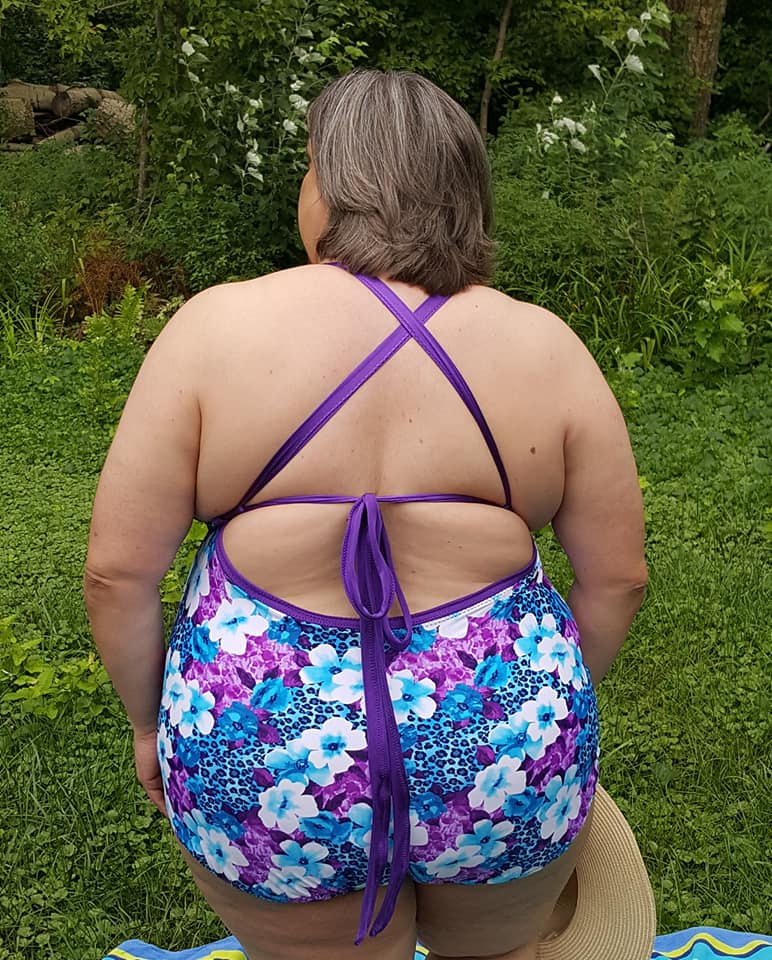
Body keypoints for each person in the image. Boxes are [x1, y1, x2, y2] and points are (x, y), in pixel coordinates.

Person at [85, 70, 647, 960]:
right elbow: (617, 578)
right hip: (503, 743)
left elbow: (119, 574)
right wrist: (540, 710)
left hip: (261, 748)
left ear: (332, 184)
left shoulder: (214, 331)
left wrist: (150, 724)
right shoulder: (546, 347)